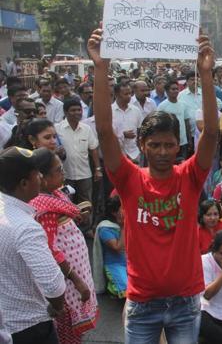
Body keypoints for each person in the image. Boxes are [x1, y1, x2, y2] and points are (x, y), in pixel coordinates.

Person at [87, 28, 219, 341]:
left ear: (178, 145)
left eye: (169, 145)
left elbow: (211, 133)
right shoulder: (129, 178)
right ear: (143, 145)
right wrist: (101, 69)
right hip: (142, 303)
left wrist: (206, 74)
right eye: (155, 145)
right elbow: (105, 132)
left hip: (186, 302)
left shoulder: (190, 176)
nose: (162, 152)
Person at [29, 148, 98, 343]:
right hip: (67, 282)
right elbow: (49, 249)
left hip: (75, 274)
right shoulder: (44, 209)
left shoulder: (56, 195)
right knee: (68, 330)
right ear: (42, 178)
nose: (63, 172)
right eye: (59, 170)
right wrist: (76, 280)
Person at [0, 146, 66, 344]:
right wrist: (57, 306)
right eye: (37, 174)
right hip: (31, 327)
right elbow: (54, 286)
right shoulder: (26, 227)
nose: (41, 178)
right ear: (23, 183)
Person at [55, 98, 101, 234]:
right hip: (65, 175)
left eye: (79, 110)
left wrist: (98, 169)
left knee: (86, 202)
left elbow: (93, 149)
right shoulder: (57, 129)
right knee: (66, 202)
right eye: (73, 110)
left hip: (84, 173)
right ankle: (69, 229)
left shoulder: (86, 129)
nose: (77, 113)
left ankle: (86, 229)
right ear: (66, 112)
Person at [93, 195, 127, 298]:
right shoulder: (105, 228)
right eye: (123, 208)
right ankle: (111, 287)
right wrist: (123, 227)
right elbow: (118, 247)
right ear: (114, 212)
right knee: (127, 290)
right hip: (115, 265)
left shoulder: (129, 220)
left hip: (130, 262)